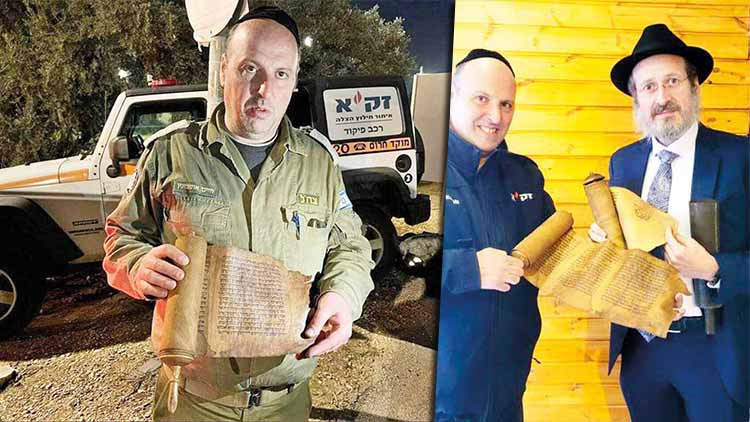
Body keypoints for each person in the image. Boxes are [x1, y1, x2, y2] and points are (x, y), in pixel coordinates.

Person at [102, 6, 374, 421]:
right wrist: (138, 266)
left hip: (286, 405)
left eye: (281, 74)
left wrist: (343, 295)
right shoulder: (171, 154)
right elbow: (122, 237)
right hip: (193, 404)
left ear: (294, 81)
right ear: (224, 69)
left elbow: (350, 246)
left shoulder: (319, 163)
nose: (264, 89)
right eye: (250, 69)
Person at [600, 23, 749, 421]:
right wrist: (605, 244)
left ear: (694, 85)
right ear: (636, 98)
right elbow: (624, 250)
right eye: (648, 87)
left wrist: (714, 268)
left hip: (715, 349)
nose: (662, 97)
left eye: (672, 81)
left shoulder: (740, 157)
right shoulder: (623, 162)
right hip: (642, 348)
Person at [434, 49, 555, 422]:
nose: (496, 116)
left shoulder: (526, 176)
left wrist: (597, 249)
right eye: (482, 99)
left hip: (507, 392)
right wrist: (468, 269)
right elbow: (392, 264)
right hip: (441, 400)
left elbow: (555, 251)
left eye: (506, 104)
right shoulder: (424, 169)